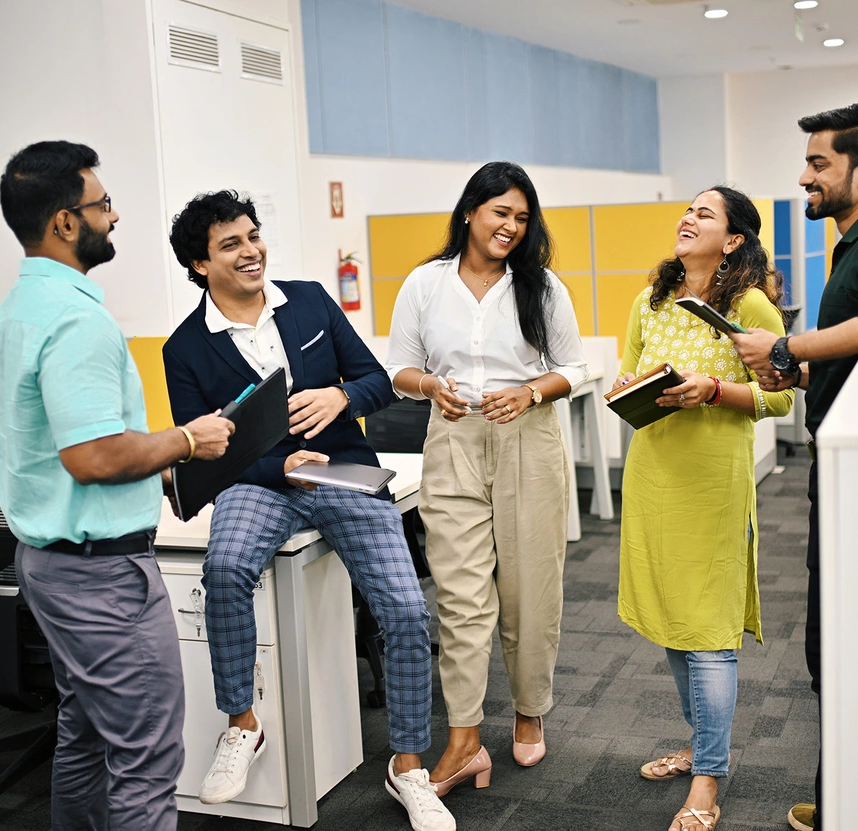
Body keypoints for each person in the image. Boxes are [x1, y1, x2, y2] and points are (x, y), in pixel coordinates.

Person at [162, 190, 455, 831]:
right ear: (198, 264)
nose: (250, 251)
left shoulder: (311, 301)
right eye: (230, 244)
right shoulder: (184, 349)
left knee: (406, 611)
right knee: (226, 568)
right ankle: (242, 724)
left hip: (344, 473)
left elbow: (378, 380)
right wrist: (280, 465)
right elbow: (203, 452)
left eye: (252, 236)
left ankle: (408, 767)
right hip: (257, 486)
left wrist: (340, 397)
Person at [0, 141, 233, 831]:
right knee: (146, 762)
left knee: (86, 735)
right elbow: (91, 455)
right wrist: (187, 439)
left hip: (49, 567)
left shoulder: (16, 311)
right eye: (102, 204)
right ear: (65, 221)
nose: (113, 217)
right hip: (100, 580)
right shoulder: (76, 320)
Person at [385, 161, 587, 795]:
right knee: (461, 595)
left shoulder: (542, 286)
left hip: (528, 438)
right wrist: (430, 387)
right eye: (501, 212)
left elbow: (574, 368)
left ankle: (528, 711)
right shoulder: (425, 283)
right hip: (453, 440)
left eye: (523, 218)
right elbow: (400, 369)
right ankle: (465, 737)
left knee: (529, 588)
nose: (511, 227)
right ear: (470, 211)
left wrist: (530, 392)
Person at [613, 186, 794, 831]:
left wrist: (713, 391)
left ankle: (708, 781)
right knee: (673, 625)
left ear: (735, 239)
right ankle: (701, 745)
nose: (689, 219)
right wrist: (630, 389)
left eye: (705, 214)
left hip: (712, 483)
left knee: (711, 636)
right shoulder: (650, 299)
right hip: (653, 474)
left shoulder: (748, 305)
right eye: (687, 210)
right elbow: (627, 372)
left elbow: (780, 397)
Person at [729, 102, 858, 831]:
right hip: (830, 462)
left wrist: (785, 350)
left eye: (818, 164)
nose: (802, 176)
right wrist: (801, 375)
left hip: (848, 475)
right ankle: (839, 788)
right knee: (826, 643)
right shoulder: (845, 246)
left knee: (836, 642)